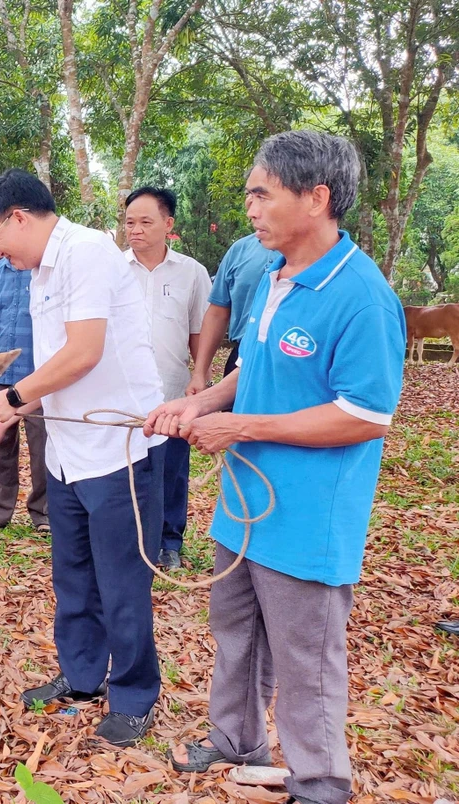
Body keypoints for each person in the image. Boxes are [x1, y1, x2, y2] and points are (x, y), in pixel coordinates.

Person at [144, 131, 405, 804]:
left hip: (307, 519)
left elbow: (365, 417)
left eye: (262, 194)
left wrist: (242, 427)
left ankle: (320, 782)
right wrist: (193, 403)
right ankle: (235, 741)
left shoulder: (361, 296)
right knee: (235, 632)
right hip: (243, 506)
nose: (251, 209)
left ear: (316, 198)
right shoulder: (274, 279)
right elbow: (249, 372)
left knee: (307, 662)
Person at [0, 169, 167, 748]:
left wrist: (11, 399)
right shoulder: (38, 271)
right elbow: (53, 361)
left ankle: (133, 695)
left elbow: (84, 352)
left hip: (118, 450)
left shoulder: (89, 253)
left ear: (18, 218)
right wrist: (10, 414)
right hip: (69, 448)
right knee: (73, 574)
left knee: (121, 580)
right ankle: (81, 677)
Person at [124, 187, 211, 570]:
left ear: (168, 224)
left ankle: (169, 542)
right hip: (123, 393)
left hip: (173, 389)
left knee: (171, 470)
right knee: (126, 469)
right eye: (129, 222)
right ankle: (131, 540)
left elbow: (199, 330)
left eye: (145, 221)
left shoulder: (191, 272)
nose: (136, 230)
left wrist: (201, 374)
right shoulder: (113, 269)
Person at [0, 256, 49, 532]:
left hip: (39, 378)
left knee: (43, 448)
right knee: (0, 447)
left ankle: (43, 513)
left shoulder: (46, 272)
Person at [186, 234, 280, 394]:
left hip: (293, 360)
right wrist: (200, 373)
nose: (253, 212)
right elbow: (217, 313)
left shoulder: (320, 252)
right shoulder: (240, 249)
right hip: (241, 356)